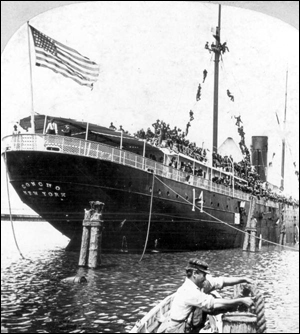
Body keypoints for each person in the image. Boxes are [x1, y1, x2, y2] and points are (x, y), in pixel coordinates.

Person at [165, 258, 254, 333]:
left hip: (188, 325)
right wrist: (240, 300)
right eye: (204, 275)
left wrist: (243, 279)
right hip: (178, 329)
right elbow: (212, 303)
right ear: (195, 273)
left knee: (216, 305)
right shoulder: (189, 291)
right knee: (213, 305)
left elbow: (221, 281)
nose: (205, 278)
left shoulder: (198, 284)